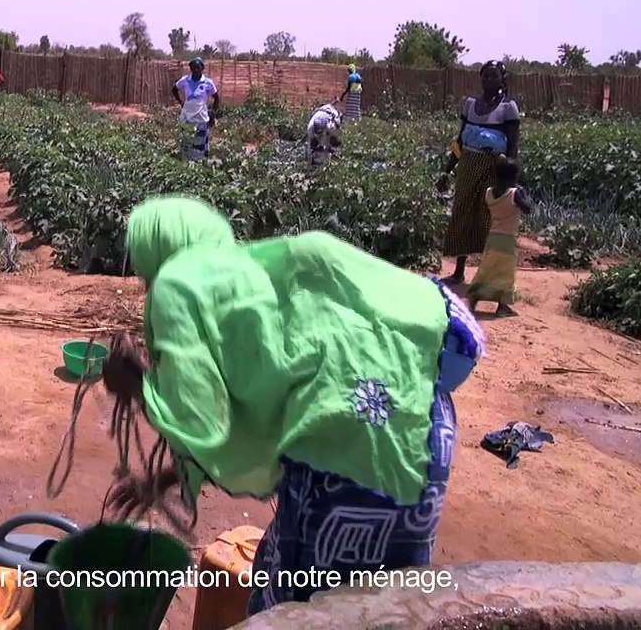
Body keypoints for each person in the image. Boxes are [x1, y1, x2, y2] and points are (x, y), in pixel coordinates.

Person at [102, 196, 484, 616]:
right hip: (420, 438)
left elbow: (204, 423)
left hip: (347, 460)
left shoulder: (180, 284)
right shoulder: (262, 276)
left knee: (303, 607)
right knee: (386, 604)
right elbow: (253, 412)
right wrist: (167, 478)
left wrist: (136, 384)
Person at [438, 61, 521, 284]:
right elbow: (460, 140)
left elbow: (512, 146)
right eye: (485, 76)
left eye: (494, 77)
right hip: (468, 164)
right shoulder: (470, 105)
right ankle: (459, 271)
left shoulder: (508, 108)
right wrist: (447, 170)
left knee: (487, 218)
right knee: (463, 212)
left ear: (503, 79)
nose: (488, 81)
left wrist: (509, 179)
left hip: (494, 167)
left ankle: (486, 276)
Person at [466, 159, 533, 316]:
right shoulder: (514, 194)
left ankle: (476, 295)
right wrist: (522, 192)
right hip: (507, 239)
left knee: (487, 269)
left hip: (492, 238)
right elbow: (527, 209)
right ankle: (502, 306)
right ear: (513, 177)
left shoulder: (489, 192)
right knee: (505, 274)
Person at [171, 58, 221, 160]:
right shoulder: (185, 80)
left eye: (198, 68)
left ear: (202, 69)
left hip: (201, 116)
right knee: (187, 139)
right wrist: (182, 103)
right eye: (193, 68)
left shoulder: (207, 82)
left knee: (200, 140)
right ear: (191, 69)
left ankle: (200, 162)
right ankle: (187, 162)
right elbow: (174, 90)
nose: (196, 70)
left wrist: (213, 114)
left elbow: (216, 98)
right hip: (187, 116)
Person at [306, 101, 343, 166]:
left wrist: (327, 147)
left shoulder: (331, 125)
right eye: (317, 133)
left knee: (328, 144)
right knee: (317, 145)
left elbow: (330, 136)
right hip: (322, 113)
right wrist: (309, 157)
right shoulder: (310, 127)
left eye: (320, 132)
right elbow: (309, 142)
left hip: (331, 115)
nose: (319, 135)